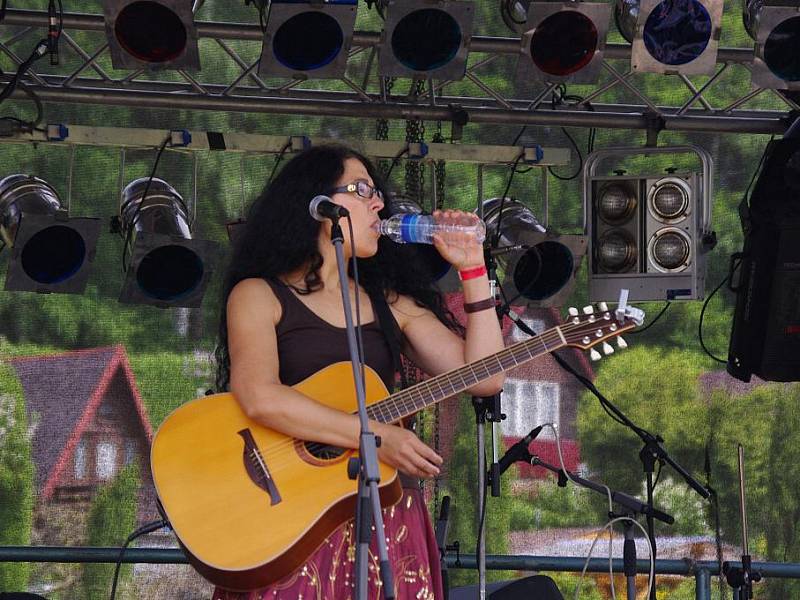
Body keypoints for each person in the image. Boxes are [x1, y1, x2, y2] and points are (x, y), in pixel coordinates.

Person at [212, 144, 505, 599]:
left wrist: (472, 269)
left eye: (377, 193)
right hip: (294, 512)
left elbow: (484, 377)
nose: (378, 204)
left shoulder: (387, 301)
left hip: (386, 509)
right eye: (362, 190)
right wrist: (374, 436)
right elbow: (258, 395)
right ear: (318, 207)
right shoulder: (258, 294)